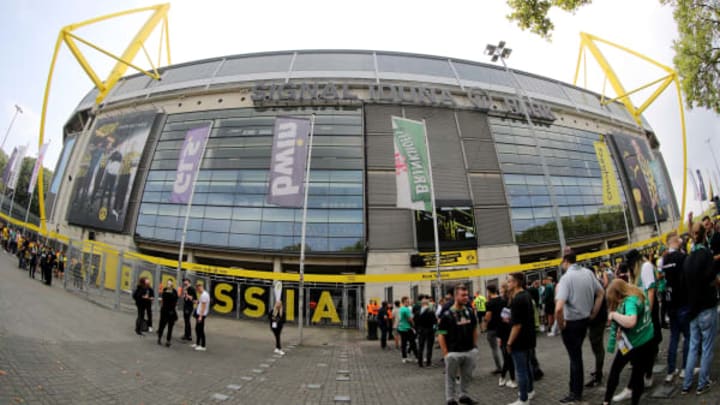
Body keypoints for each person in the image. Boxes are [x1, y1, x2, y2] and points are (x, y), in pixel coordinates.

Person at [555, 247, 605, 403]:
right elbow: (601, 293)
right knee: (576, 358)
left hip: (571, 324)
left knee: (575, 359)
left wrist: (561, 324)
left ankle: (575, 393)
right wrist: (594, 313)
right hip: (584, 321)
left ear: (565, 261)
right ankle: (574, 389)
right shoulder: (588, 273)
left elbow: (558, 307)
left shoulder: (566, 278)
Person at [602, 279, 656, 405]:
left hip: (634, 343)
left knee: (616, 370)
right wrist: (622, 327)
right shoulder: (639, 293)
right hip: (647, 339)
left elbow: (631, 320)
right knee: (638, 375)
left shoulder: (629, 301)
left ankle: (606, 401)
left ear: (619, 294)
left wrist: (614, 315)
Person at [681, 222, 718, 395]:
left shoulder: (688, 258)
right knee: (707, 347)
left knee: (693, 347)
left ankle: (686, 385)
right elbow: (712, 278)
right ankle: (703, 384)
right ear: (705, 235)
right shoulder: (706, 255)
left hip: (692, 310)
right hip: (707, 308)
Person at [437, 284, 478, 405]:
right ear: (456, 296)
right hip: (453, 352)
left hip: (469, 351)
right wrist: (445, 353)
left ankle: (464, 395)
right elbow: (441, 334)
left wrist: (474, 347)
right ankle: (450, 399)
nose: (466, 297)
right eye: (463, 295)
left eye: (467, 295)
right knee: (450, 377)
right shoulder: (447, 314)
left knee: (467, 376)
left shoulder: (469, 311)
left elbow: (475, 328)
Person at [659, 232, 689, 383]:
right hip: (682, 302)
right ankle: (684, 368)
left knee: (674, 337)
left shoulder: (663, 260)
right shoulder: (681, 257)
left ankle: (671, 371)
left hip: (670, 304)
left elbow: (662, 277)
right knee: (688, 336)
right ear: (676, 241)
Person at [506, 272, 537, 405]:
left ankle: (523, 399)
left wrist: (509, 342)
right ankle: (530, 391)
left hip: (520, 339)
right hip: (529, 337)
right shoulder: (526, 295)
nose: (508, 284)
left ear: (516, 282)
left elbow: (517, 325)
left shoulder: (518, 299)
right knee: (527, 366)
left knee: (521, 370)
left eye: (509, 281)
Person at [497, 283, 517, 389]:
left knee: (508, 357)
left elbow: (501, 321)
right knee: (508, 357)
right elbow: (501, 320)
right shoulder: (504, 302)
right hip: (507, 333)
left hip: (509, 333)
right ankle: (508, 378)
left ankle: (505, 377)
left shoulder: (511, 301)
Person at [484, 284, 504, 374]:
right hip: (502, 325)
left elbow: (488, 316)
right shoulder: (502, 300)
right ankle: (507, 364)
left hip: (492, 327)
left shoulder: (489, 303)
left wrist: (485, 323)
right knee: (503, 347)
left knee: (494, 348)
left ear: (488, 291)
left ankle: (499, 367)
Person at [415, 296, 436, 367]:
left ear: (422, 304)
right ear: (428, 303)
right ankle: (428, 362)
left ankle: (420, 363)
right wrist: (435, 329)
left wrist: (417, 330)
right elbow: (434, 322)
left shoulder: (417, 312)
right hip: (429, 330)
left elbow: (415, 322)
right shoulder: (431, 312)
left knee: (421, 346)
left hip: (421, 330)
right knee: (429, 347)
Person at [157, 280, 179, 347]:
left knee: (170, 327)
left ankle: (168, 341)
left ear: (172, 284)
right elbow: (164, 297)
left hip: (171, 312)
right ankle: (159, 338)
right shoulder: (165, 290)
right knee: (162, 325)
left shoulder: (174, 291)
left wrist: (171, 292)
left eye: (170, 283)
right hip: (164, 311)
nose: (169, 284)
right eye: (168, 283)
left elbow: (175, 300)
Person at [192, 281, 210, 351]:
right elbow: (200, 303)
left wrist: (200, 316)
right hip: (199, 314)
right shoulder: (203, 294)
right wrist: (195, 301)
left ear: (200, 287)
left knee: (200, 330)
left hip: (201, 314)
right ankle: (197, 343)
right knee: (197, 329)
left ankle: (203, 346)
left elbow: (203, 307)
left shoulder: (204, 295)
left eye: (197, 289)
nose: (197, 291)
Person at [397, 296, 415, 363]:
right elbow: (409, 319)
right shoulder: (406, 309)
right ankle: (416, 357)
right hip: (407, 328)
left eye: (408, 301)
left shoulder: (401, 309)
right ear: (404, 302)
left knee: (404, 343)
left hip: (401, 328)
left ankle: (404, 358)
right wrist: (413, 324)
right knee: (412, 342)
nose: (408, 303)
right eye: (407, 302)